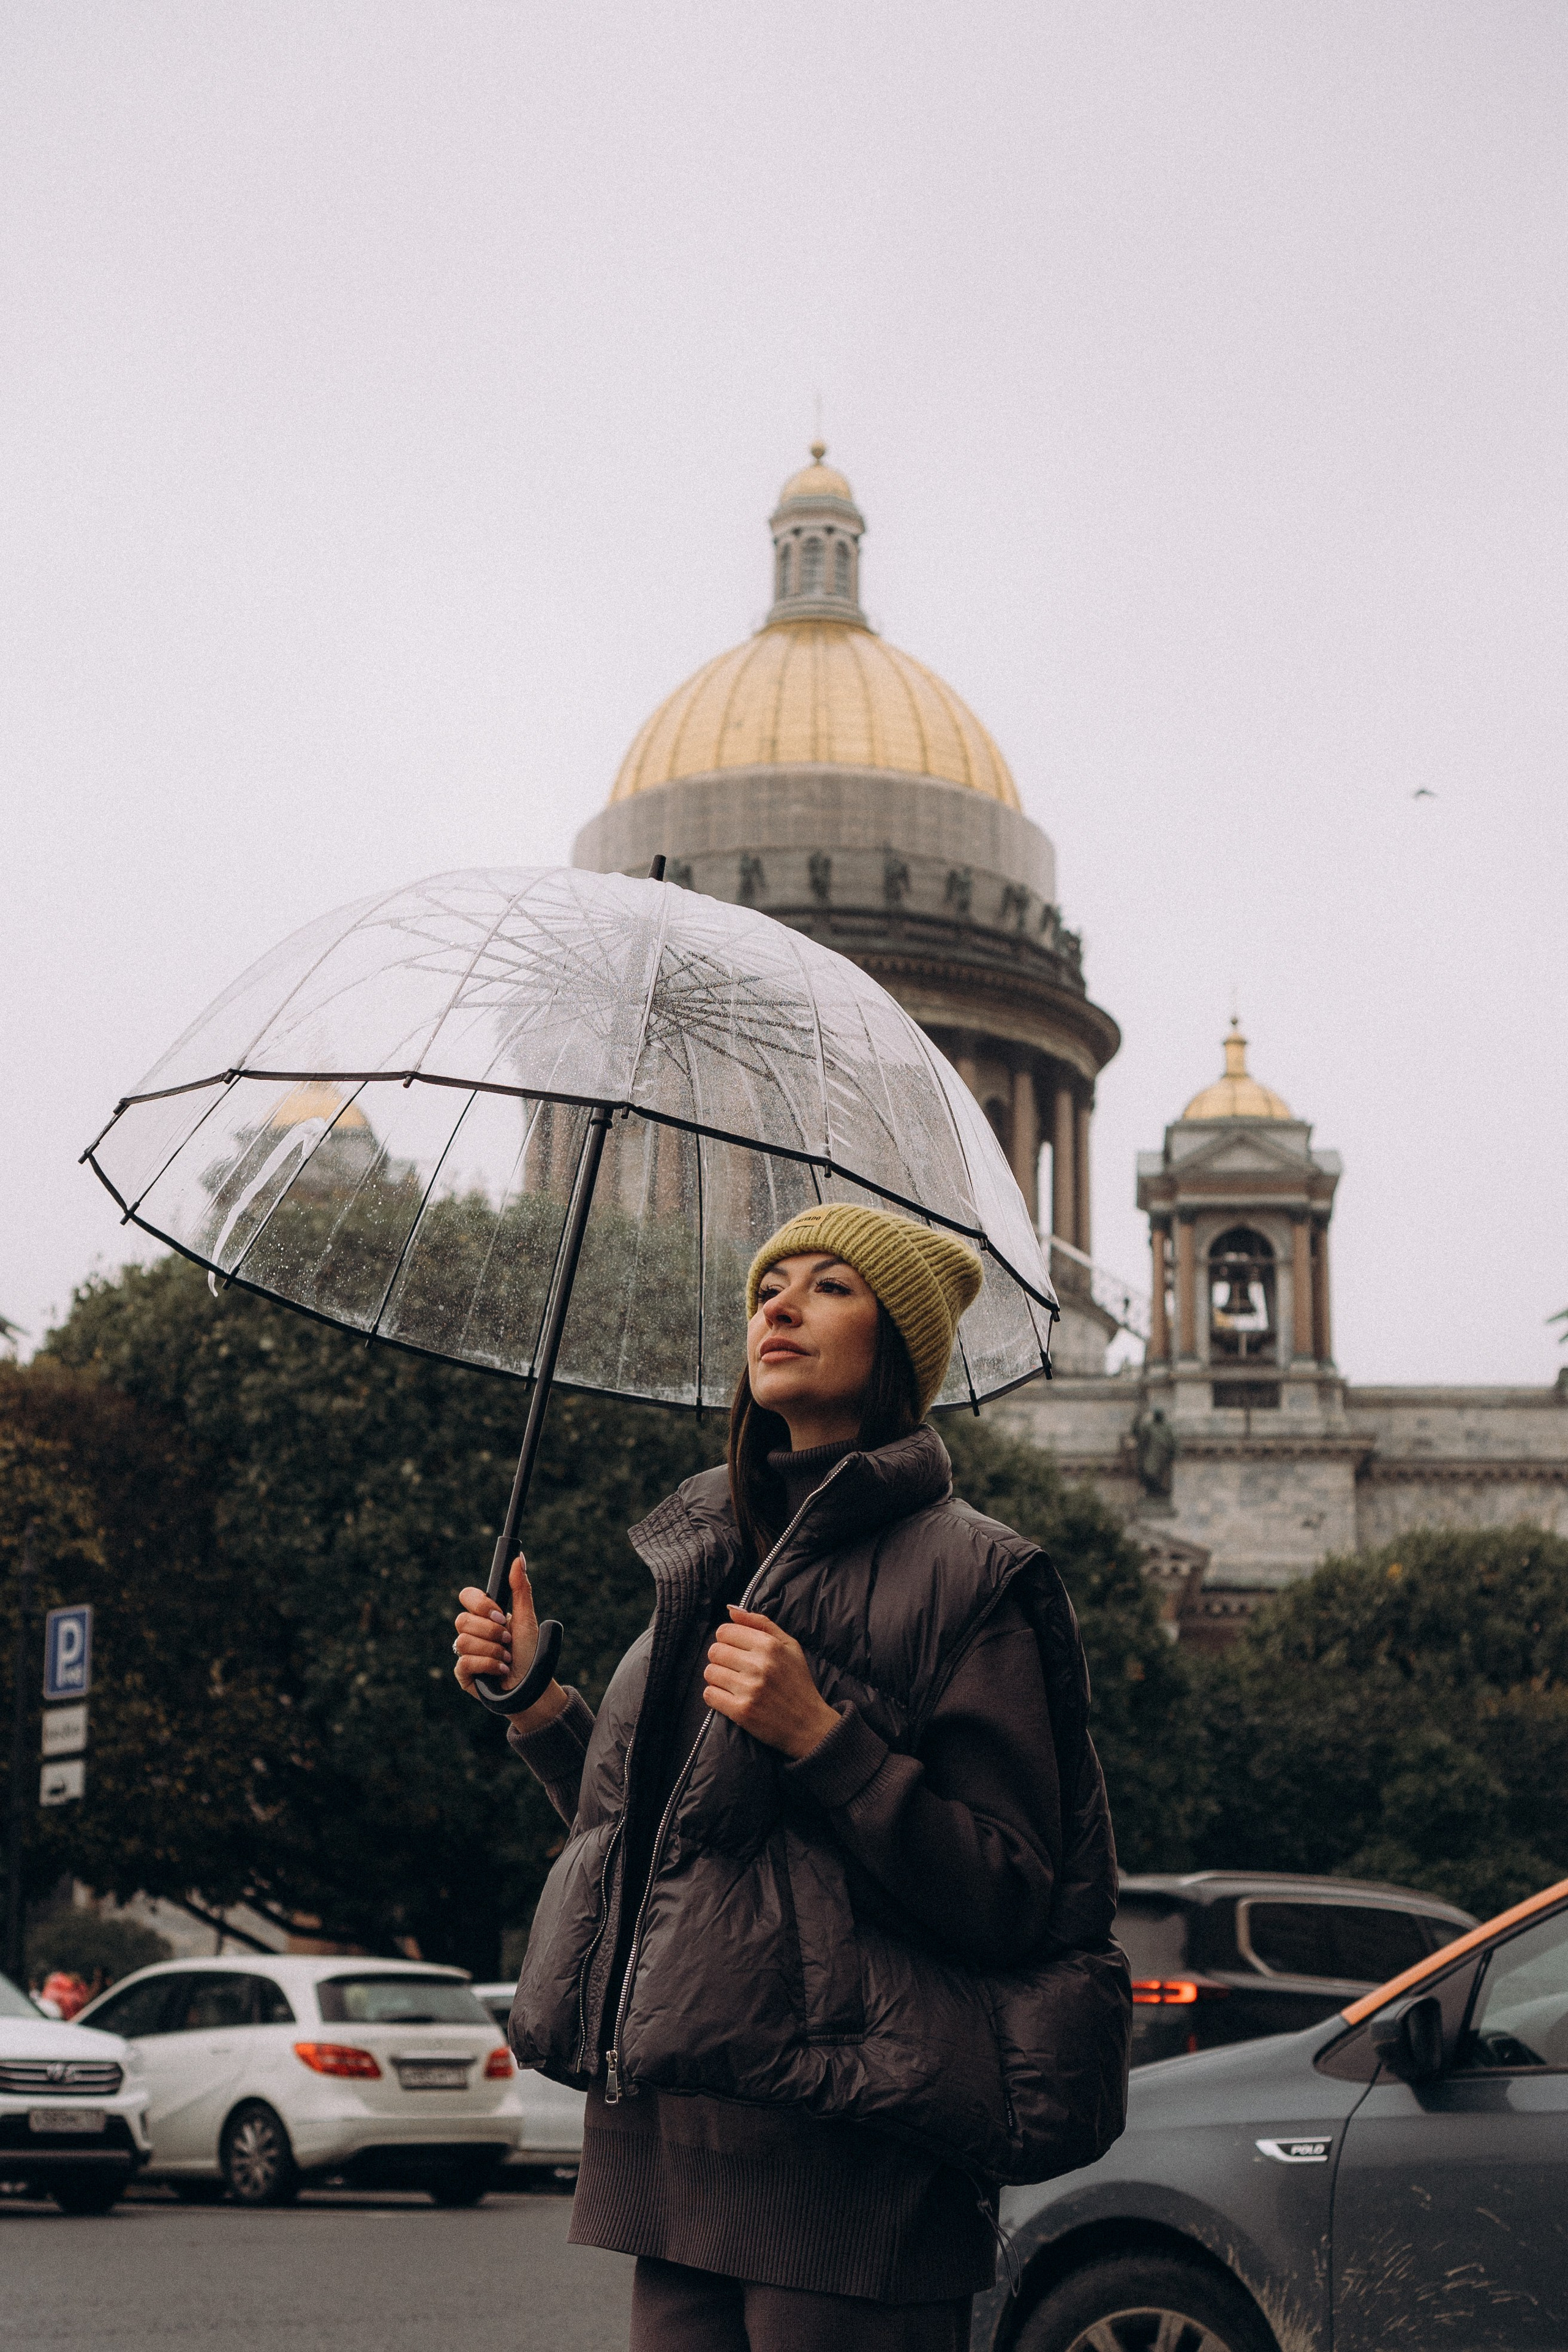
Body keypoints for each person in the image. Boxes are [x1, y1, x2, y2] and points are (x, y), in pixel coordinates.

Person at [453, 1205, 1121, 2352]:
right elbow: (675, 1848)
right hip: (676, 2146)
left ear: (897, 1348)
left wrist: (825, 1738)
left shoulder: (975, 1573)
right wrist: (537, 1705)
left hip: (853, 2164)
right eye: (771, 1286)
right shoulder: (710, 1550)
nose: (781, 1304)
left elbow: (1017, 1892)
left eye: (831, 1287)